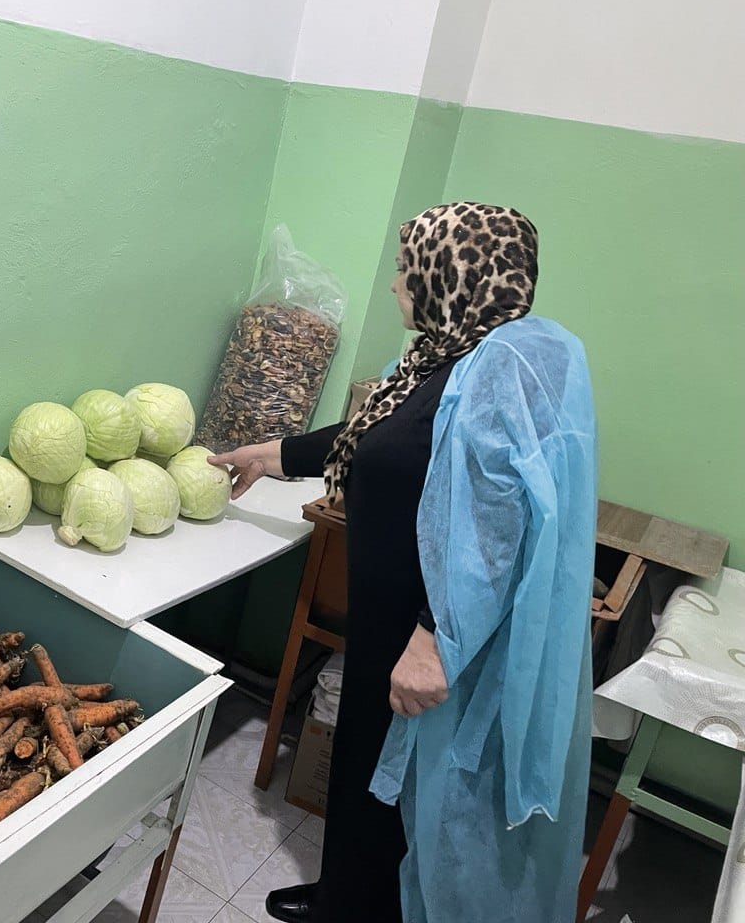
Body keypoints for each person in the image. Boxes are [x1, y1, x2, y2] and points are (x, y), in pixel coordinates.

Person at [210, 202, 596, 923]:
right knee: (365, 761)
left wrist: (433, 640)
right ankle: (345, 895)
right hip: (389, 615)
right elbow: (372, 435)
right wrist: (273, 454)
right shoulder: (439, 357)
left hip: (435, 630)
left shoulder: (501, 371)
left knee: (419, 785)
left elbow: (496, 526)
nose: (394, 285)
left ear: (452, 275)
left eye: (404, 269)